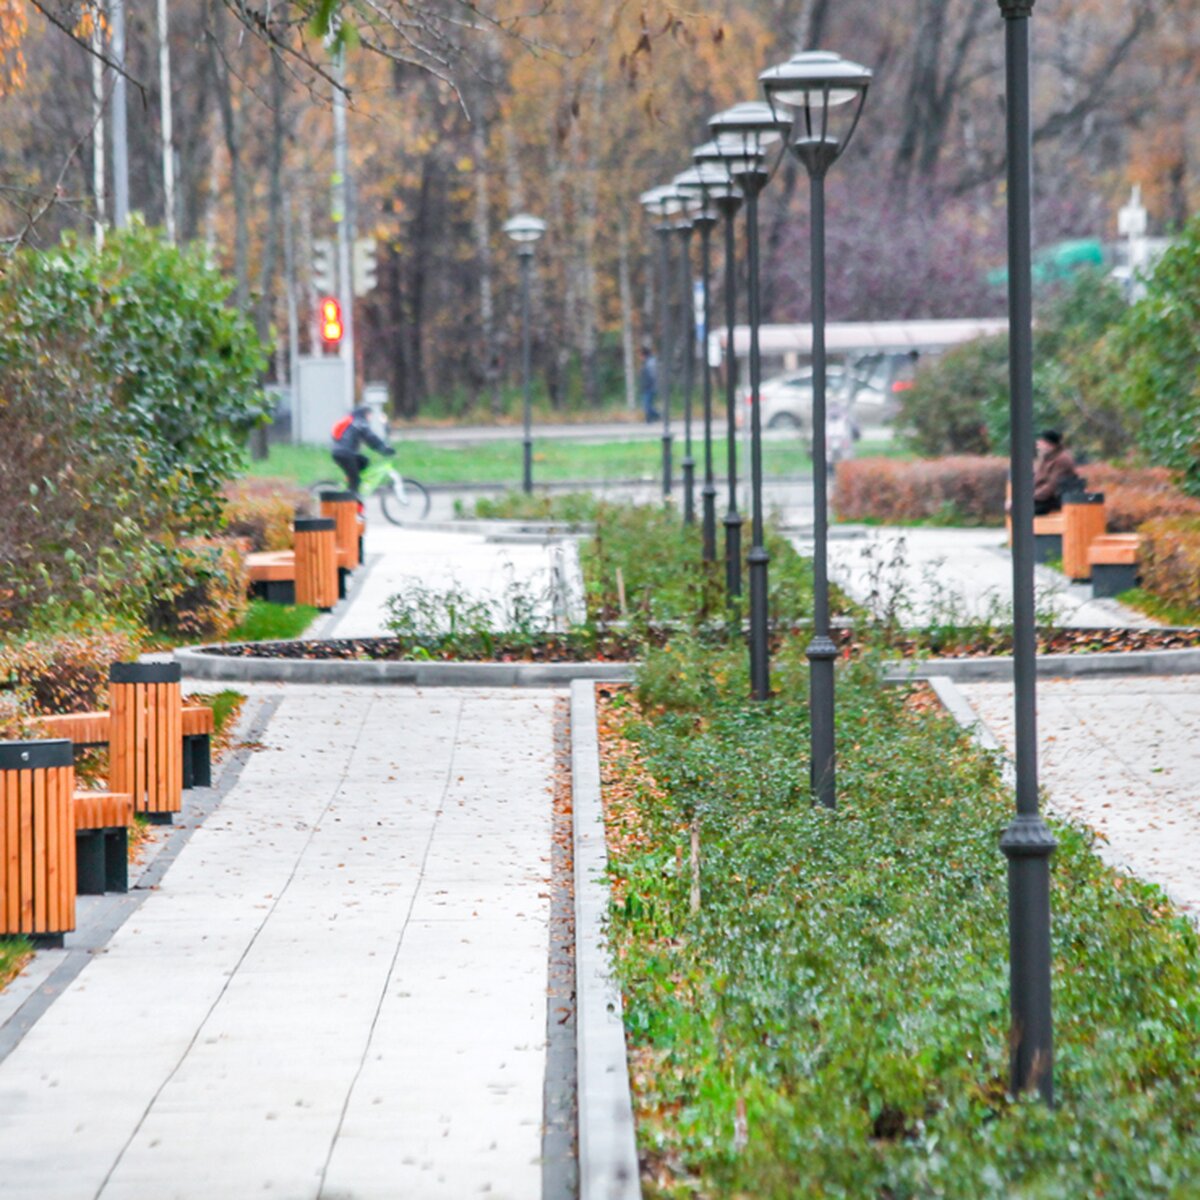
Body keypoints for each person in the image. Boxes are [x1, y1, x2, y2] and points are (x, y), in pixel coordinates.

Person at [331, 403, 394, 496]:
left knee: (364, 461)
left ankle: (351, 480)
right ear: (364, 413)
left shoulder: (354, 422)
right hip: (345, 453)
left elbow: (369, 440)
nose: (370, 417)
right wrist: (383, 448)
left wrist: (380, 448)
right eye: (369, 414)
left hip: (341, 452)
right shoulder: (360, 423)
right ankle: (352, 496)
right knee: (355, 481)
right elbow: (371, 438)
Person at [1032, 429, 1080, 515]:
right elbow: (1036, 481)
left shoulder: (1062, 460)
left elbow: (1052, 486)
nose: (1037, 444)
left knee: (1022, 509)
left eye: (1041, 441)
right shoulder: (1046, 457)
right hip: (1042, 498)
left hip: (1054, 500)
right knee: (1018, 507)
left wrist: (1029, 498)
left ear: (1050, 444)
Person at [639, 343, 660, 424]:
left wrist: (651, 386)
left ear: (644, 355)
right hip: (646, 387)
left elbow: (652, 376)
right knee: (647, 405)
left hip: (650, 387)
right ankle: (655, 417)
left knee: (647, 405)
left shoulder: (650, 363)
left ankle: (652, 418)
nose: (640, 357)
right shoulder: (647, 363)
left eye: (641, 355)